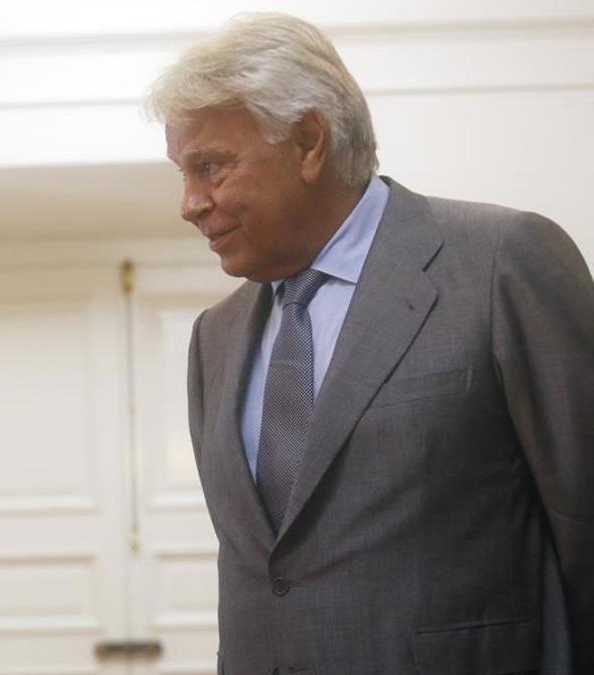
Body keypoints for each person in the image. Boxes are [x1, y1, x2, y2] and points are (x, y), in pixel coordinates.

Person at [148, 13, 592, 674]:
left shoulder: (501, 263)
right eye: (184, 172)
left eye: (209, 167)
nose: (189, 202)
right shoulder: (215, 337)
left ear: (307, 142)